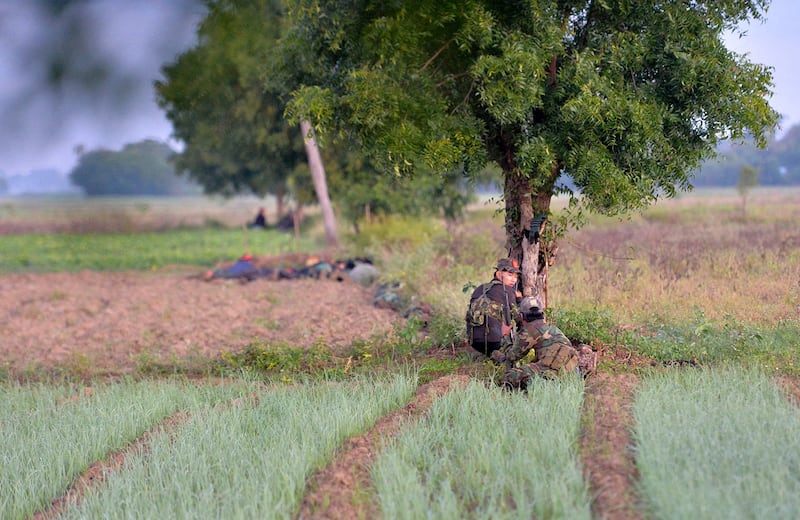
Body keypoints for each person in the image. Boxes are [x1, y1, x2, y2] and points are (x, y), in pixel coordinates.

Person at [491, 297, 597, 389]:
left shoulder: (529, 332)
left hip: (553, 371)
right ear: (542, 314)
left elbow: (512, 356)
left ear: (522, 316)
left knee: (510, 376)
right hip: (572, 370)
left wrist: (505, 336)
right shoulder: (553, 328)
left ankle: (542, 385)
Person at [465, 258, 522, 357]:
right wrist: (519, 299)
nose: (513, 279)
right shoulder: (508, 291)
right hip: (496, 342)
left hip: (474, 341)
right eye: (510, 275)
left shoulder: (480, 288)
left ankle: (489, 355)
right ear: (499, 274)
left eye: (516, 276)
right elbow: (518, 318)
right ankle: (501, 356)